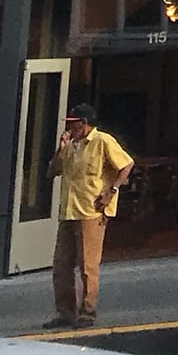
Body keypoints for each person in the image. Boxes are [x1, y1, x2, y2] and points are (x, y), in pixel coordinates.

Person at [47, 105, 134, 329]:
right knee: (62, 264)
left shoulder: (102, 141)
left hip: (91, 210)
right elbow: (52, 171)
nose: (69, 126)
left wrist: (111, 191)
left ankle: (87, 311)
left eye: (73, 122)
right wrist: (61, 150)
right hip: (69, 210)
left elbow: (126, 165)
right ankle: (65, 312)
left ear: (83, 123)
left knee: (88, 264)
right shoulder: (71, 146)